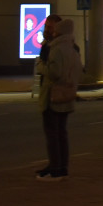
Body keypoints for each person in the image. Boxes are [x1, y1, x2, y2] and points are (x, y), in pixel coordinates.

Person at [36, 16, 82, 181]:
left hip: (54, 95)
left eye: (51, 27)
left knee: (54, 134)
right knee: (60, 133)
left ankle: (56, 168)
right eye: (47, 26)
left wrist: (41, 67)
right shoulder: (71, 47)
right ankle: (58, 165)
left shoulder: (56, 48)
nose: (48, 30)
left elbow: (53, 72)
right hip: (65, 94)